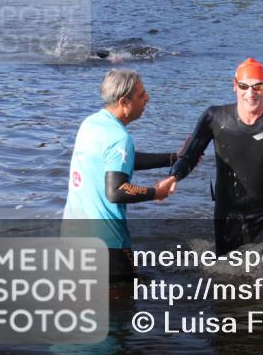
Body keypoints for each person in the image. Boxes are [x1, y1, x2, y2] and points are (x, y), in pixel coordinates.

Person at [170, 58, 263, 256]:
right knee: (224, 276)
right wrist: (173, 177)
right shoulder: (214, 118)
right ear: (234, 86)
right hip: (227, 214)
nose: (250, 93)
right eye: (244, 86)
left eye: (257, 87)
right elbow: (189, 157)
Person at [62, 68, 178, 282]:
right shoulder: (119, 137)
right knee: (120, 310)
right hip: (107, 245)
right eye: (142, 95)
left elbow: (120, 161)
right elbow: (116, 191)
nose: (148, 98)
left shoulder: (90, 124)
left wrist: (172, 158)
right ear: (124, 102)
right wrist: (156, 192)